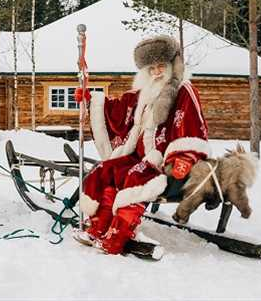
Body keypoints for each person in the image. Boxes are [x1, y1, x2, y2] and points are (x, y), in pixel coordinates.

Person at [73, 34, 210, 254]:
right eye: (151, 68)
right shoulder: (142, 94)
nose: (156, 72)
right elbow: (117, 112)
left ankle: (118, 236)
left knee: (133, 177)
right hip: (136, 156)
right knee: (105, 170)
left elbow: (192, 126)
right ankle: (98, 227)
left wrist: (184, 157)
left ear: (172, 65)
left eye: (161, 66)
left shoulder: (183, 90)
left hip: (162, 161)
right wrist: (90, 100)